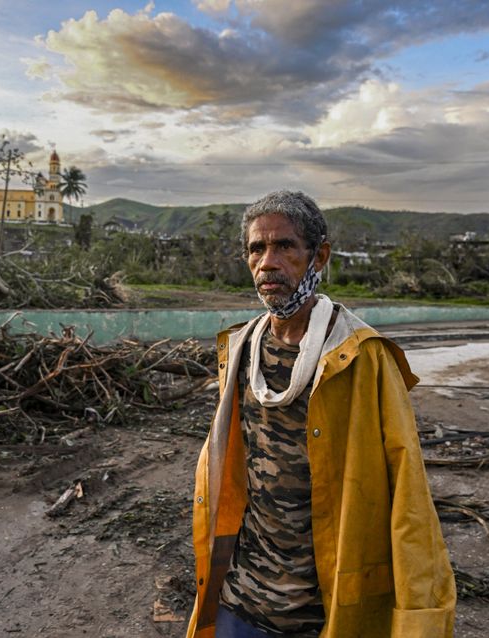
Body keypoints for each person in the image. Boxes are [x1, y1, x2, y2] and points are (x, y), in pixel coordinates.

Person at [186, 191, 455, 638]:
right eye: (257, 248)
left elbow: (409, 498)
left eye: (285, 246)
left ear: (319, 256)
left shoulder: (360, 358)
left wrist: (420, 617)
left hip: (321, 612)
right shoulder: (240, 350)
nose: (268, 262)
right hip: (242, 599)